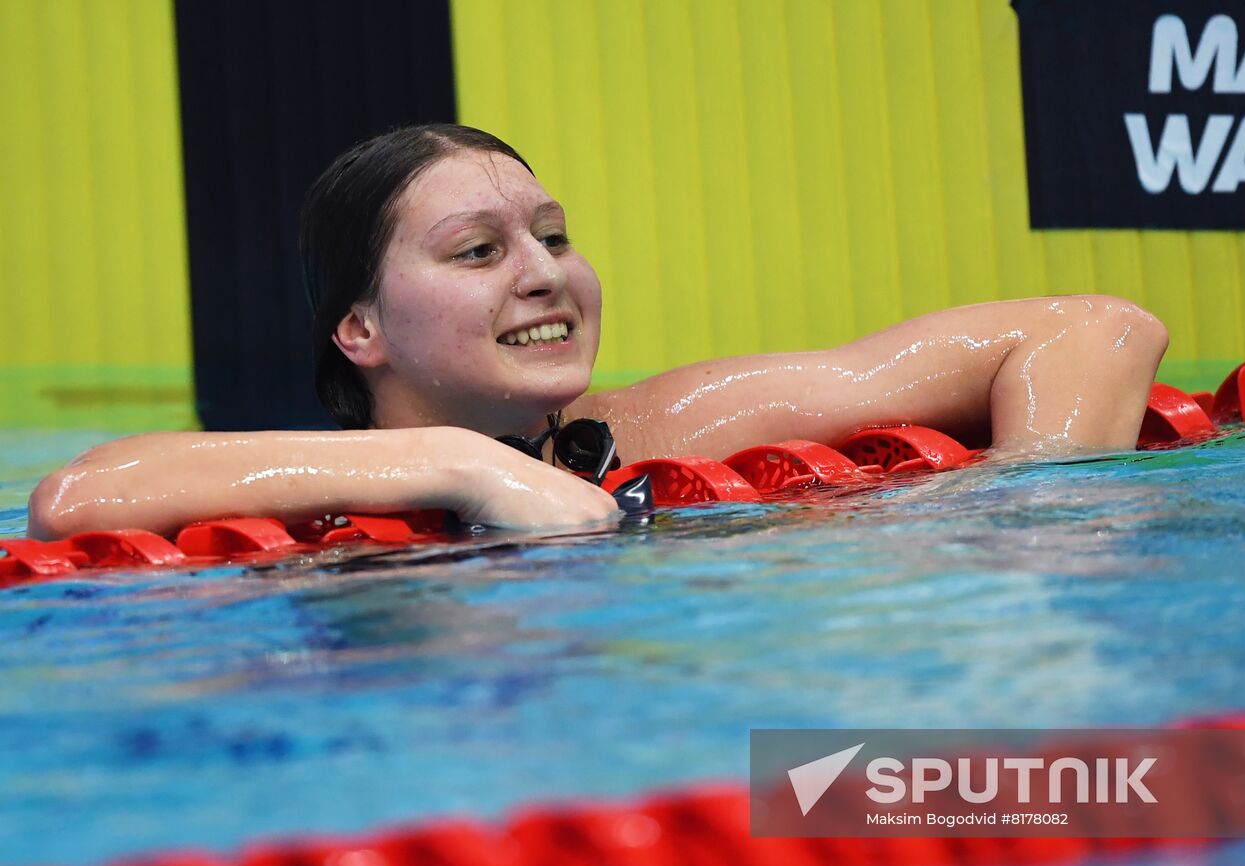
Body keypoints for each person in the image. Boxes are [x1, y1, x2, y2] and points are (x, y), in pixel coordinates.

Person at [27, 124, 1169, 540]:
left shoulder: (663, 425)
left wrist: (1027, 523)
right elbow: (74, 501)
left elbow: (1095, 330)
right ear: (359, 330)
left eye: (553, 236)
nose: (544, 274)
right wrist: (463, 462)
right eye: (479, 252)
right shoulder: (301, 490)